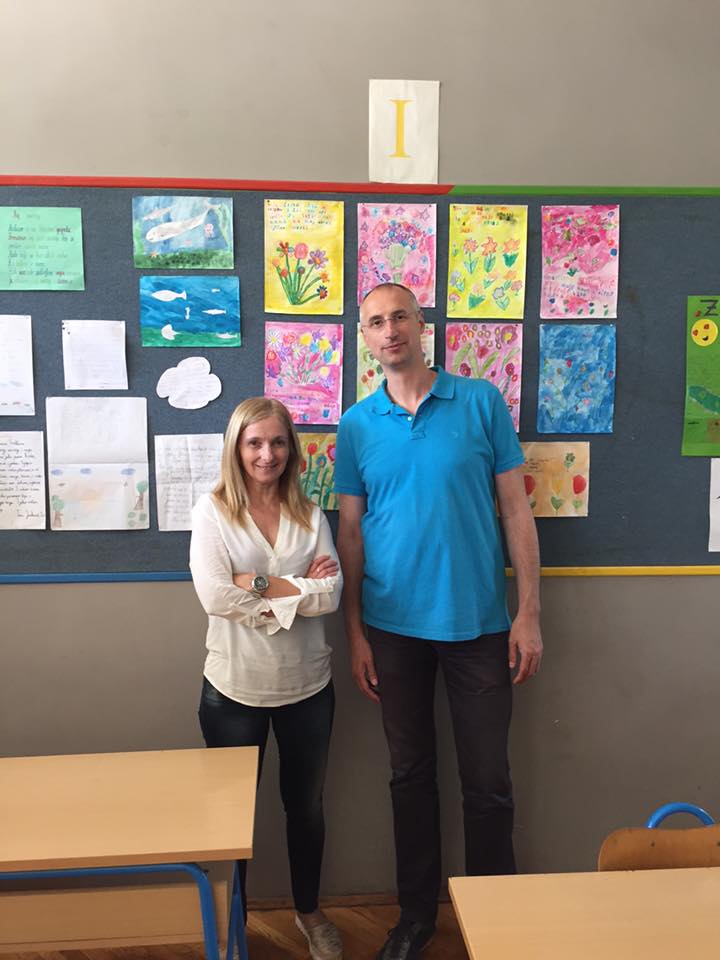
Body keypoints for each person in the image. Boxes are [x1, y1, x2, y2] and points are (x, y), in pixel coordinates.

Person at [335, 283, 542, 960]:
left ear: (421, 325)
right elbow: (351, 533)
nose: (389, 330)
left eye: (399, 317)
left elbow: (516, 510)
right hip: (393, 629)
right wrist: (355, 633)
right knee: (409, 778)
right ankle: (416, 916)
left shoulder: (480, 402)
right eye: (375, 322)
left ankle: (497, 919)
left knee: (488, 783)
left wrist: (528, 612)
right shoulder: (356, 425)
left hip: (479, 624)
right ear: (365, 338)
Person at [190, 397, 344, 960]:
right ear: (236, 448)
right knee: (231, 819)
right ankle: (234, 922)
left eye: (278, 442)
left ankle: (309, 912)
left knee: (307, 810)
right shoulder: (212, 511)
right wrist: (296, 590)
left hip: (308, 688)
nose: (267, 454)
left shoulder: (311, 515)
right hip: (233, 689)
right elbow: (214, 595)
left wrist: (254, 583)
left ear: (291, 450)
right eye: (254, 442)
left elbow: (332, 594)